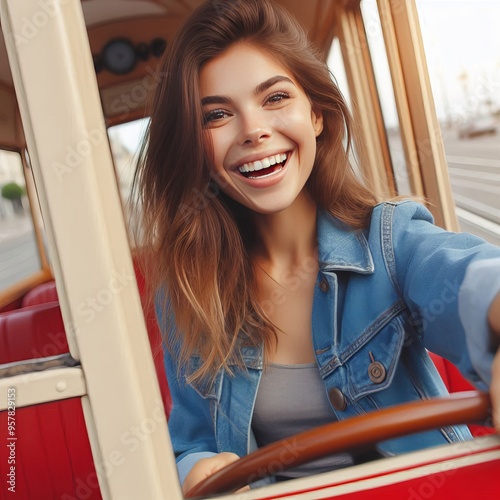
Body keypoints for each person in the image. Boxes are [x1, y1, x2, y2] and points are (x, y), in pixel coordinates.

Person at [134, 0, 500, 493]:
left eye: (275, 98)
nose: (254, 131)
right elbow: (191, 441)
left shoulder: (392, 243)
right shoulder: (187, 295)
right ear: (196, 150)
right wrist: (193, 468)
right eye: (218, 115)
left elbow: (473, 278)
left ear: (318, 116)